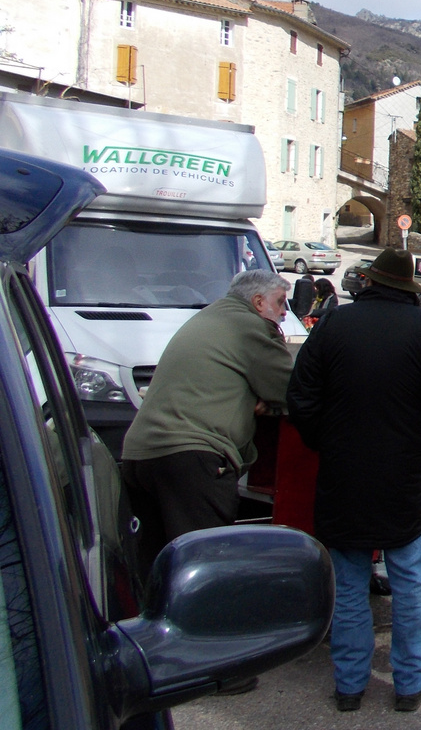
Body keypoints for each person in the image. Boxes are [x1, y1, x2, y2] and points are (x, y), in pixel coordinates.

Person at [287, 249, 421, 714]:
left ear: (369, 281)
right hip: (405, 475)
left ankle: (349, 685)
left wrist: (327, 442)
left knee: (349, 585)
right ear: (409, 288)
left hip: (343, 472)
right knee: (408, 580)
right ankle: (410, 683)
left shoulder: (333, 324)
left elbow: (301, 398)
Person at [121, 270, 294, 694]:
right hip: (193, 455)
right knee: (209, 563)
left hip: (141, 452)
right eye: (280, 305)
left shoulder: (210, 317)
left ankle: (155, 661)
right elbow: (293, 387)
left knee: (161, 562)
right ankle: (223, 669)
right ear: (258, 303)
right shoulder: (251, 328)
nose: (283, 314)